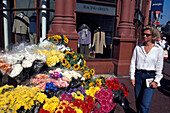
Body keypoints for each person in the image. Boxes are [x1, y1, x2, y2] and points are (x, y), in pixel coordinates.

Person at [129, 25, 164, 113]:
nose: (144, 36)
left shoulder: (159, 50)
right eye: (143, 34)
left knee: (145, 104)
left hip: (150, 76)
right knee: (138, 101)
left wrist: (156, 81)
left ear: (153, 36)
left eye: (147, 35)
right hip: (139, 75)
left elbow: (159, 67)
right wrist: (132, 77)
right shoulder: (138, 48)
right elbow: (133, 63)